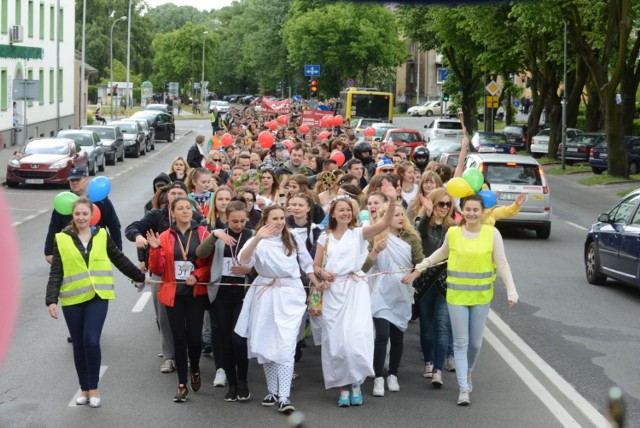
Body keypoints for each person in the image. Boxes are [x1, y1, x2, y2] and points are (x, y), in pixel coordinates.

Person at [415, 195, 519, 406]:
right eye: (467, 209)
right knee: (461, 343)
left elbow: (502, 263)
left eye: (476, 209)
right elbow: (441, 253)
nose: (471, 213)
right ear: (461, 211)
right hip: (456, 296)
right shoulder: (453, 233)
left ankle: (468, 372)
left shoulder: (492, 234)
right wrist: (423, 264)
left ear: (482, 212)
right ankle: (463, 388)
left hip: (481, 297)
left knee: (475, 343)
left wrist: (512, 290)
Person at [46, 197, 146, 408]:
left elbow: (118, 259)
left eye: (85, 214)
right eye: (77, 214)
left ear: (92, 216)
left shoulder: (101, 234)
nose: (81, 217)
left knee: (91, 340)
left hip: (97, 296)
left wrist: (140, 276)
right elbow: (56, 271)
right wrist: (51, 300)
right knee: (79, 344)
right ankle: (84, 389)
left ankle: (94, 388)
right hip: (72, 298)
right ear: (72, 216)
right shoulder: (62, 238)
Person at [313, 182, 398, 408]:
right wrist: (323, 273)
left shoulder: (358, 233)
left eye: (348, 209)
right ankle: (343, 387)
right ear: (332, 213)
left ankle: (357, 383)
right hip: (334, 292)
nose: (345, 212)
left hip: (355, 288)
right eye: (340, 209)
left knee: (357, 338)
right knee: (337, 343)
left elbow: (385, 223)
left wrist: (392, 200)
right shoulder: (325, 237)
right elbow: (316, 267)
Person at [235, 205, 322, 415]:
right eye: (274, 218)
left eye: (282, 218)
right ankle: (272, 391)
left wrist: (316, 283)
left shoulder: (292, 237)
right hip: (265, 295)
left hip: (290, 294)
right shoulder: (257, 239)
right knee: (266, 342)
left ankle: (284, 396)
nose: (279, 222)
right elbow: (243, 260)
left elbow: (307, 263)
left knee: (285, 344)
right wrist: (257, 239)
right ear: (265, 219)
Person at [124, 181, 205, 374]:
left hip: (191, 276)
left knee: (192, 320)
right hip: (163, 272)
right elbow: (131, 228)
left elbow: (206, 240)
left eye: (180, 193)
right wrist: (138, 237)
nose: (176, 196)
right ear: (167, 198)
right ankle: (169, 357)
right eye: (173, 193)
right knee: (164, 317)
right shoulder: (156, 215)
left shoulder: (197, 217)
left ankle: (187, 355)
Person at [147, 197, 214, 403]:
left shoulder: (203, 233)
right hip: (173, 294)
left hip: (195, 294)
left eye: (188, 208)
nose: (185, 211)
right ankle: (182, 384)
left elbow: (211, 264)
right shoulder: (165, 236)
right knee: (179, 339)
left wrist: (199, 275)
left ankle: (194, 368)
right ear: (172, 213)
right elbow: (157, 269)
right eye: (180, 209)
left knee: (194, 339)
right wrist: (156, 249)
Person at [362, 202, 424, 397]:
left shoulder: (412, 237)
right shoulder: (377, 237)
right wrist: (376, 251)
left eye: (401, 214)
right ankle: (378, 377)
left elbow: (421, 264)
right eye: (394, 214)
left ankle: (393, 375)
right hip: (381, 292)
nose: (399, 217)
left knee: (398, 337)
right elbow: (364, 267)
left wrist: (413, 276)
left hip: (402, 292)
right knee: (381, 335)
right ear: (385, 218)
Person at [196, 200, 253, 402]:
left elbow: (262, 263)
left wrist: (249, 270)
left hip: (243, 295)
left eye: (242, 221)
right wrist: (213, 235)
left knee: (239, 340)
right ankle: (233, 384)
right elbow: (200, 253)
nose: (238, 225)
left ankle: (243, 381)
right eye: (234, 221)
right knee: (226, 341)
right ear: (226, 219)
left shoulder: (252, 236)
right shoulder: (219, 235)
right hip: (220, 294)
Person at [408, 188, 455, 387]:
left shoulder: (453, 227)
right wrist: (427, 214)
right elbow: (418, 235)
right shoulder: (422, 224)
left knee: (442, 327)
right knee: (426, 328)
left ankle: (438, 369)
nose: (444, 208)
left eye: (447, 204)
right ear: (433, 204)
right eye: (440, 204)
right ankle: (428, 361)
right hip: (425, 285)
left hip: (445, 285)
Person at [44, 167, 122, 265]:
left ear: (86, 179)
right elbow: (54, 227)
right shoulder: (64, 201)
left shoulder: (101, 200)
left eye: (78, 179)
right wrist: (49, 251)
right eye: (72, 180)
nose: (74, 183)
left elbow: (114, 225)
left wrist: (117, 251)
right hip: (71, 251)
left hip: (96, 250)